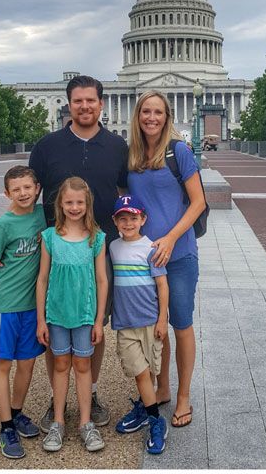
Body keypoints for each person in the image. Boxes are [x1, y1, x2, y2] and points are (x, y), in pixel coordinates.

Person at [27, 74, 128, 434]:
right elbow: (26, 197)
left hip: (101, 248)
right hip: (56, 250)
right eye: (78, 101)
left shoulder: (118, 147)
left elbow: (131, 196)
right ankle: (58, 401)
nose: (85, 107)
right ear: (69, 104)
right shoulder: (46, 146)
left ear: (101, 104)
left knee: (93, 325)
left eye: (91, 101)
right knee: (55, 324)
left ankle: (92, 391)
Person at [125, 90, 206, 431]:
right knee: (155, 329)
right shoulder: (129, 156)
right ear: (137, 115)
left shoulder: (180, 151)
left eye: (158, 112)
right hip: (145, 259)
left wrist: (171, 239)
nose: (152, 118)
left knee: (181, 324)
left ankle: (184, 396)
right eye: (146, 111)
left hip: (178, 254)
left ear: (167, 116)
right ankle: (162, 386)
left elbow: (199, 202)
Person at [35, 176, 107, 454]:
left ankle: (86, 423)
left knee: (83, 366)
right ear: (60, 204)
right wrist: (41, 319)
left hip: (85, 315)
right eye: (69, 202)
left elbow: (102, 280)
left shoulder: (96, 237)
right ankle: (58, 422)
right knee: (61, 364)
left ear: (87, 204)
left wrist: (99, 319)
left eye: (79, 202)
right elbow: (42, 279)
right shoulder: (50, 236)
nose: (74, 207)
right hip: (56, 314)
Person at [0, 165, 45, 459]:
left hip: (33, 306)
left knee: (28, 364)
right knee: (3, 365)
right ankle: (5, 426)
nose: (23, 193)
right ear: (7, 193)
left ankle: (17, 412)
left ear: (37, 188)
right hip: (5, 306)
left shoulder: (44, 217)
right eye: (16, 189)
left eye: (27, 188)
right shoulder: (3, 225)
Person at [109, 193, 170, 455]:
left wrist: (162, 319)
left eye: (133, 217)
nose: (128, 223)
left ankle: (146, 410)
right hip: (125, 323)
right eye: (122, 218)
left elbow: (162, 285)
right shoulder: (112, 247)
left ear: (142, 219)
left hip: (149, 321)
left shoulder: (151, 248)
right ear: (115, 221)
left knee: (150, 372)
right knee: (140, 372)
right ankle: (156, 419)